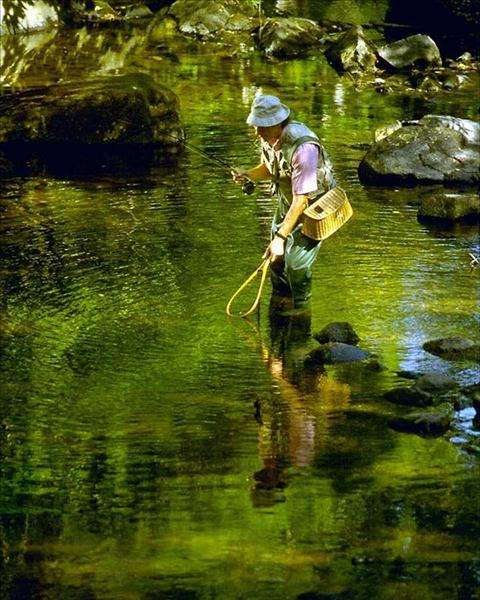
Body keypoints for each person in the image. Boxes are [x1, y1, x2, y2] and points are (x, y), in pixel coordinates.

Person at [232, 94, 336, 312]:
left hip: (314, 206)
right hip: (289, 200)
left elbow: (302, 200)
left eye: (262, 126)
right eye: (256, 125)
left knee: (297, 265)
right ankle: (280, 302)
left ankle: (300, 311)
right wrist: (248, 174)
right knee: (275, 259)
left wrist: (280, 237)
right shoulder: (269, 138)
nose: (257, 132)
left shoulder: (303, 148)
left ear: (278, 123)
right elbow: (270, 169)